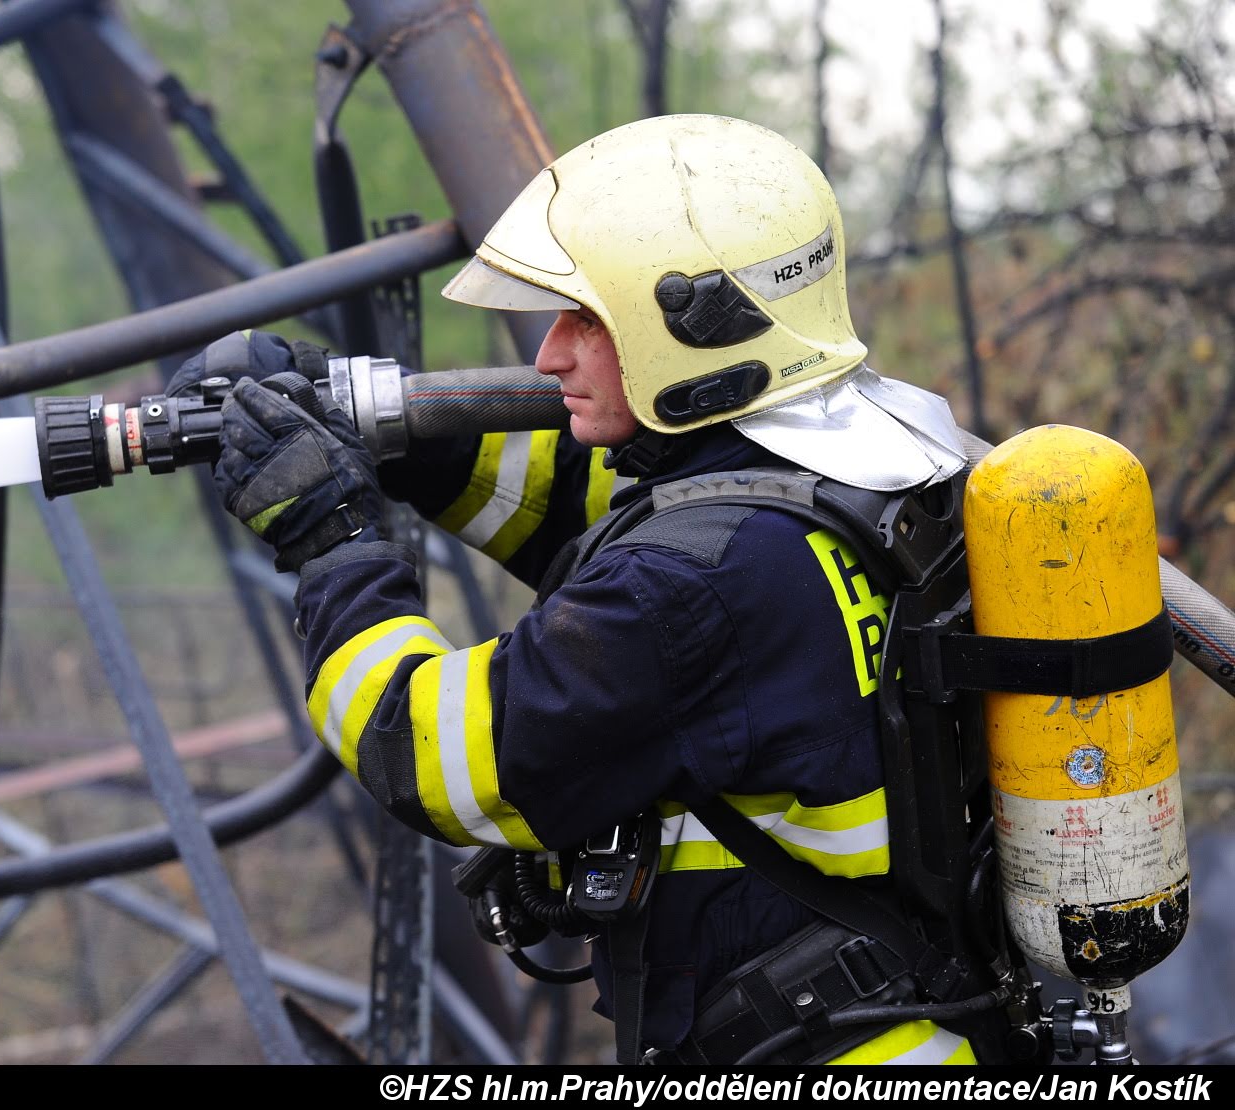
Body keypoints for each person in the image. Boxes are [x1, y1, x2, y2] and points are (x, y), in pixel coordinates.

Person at [204, 115, 980, 1064]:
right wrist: (384, 434)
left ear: (693, 325)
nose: (548, 356)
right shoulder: (868, 469)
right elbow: (599, 521)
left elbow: (429, 752)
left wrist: (332, 536)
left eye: (587, 320)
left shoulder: (696, 581)